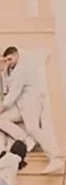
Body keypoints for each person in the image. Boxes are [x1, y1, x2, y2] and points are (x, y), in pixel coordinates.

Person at [0, 45, 59, 173]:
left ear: (16, 56)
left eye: (10, 59)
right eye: (6, 60)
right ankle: (25, 139)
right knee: (1, 120)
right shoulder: (8, 71)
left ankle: (55, 158)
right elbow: (6, 89)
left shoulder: (22, 70)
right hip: (20, 107)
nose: (8, 62)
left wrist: (1, 107)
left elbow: (12, 95)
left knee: (33, 128)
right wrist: (4, 67)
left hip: (31, 104)